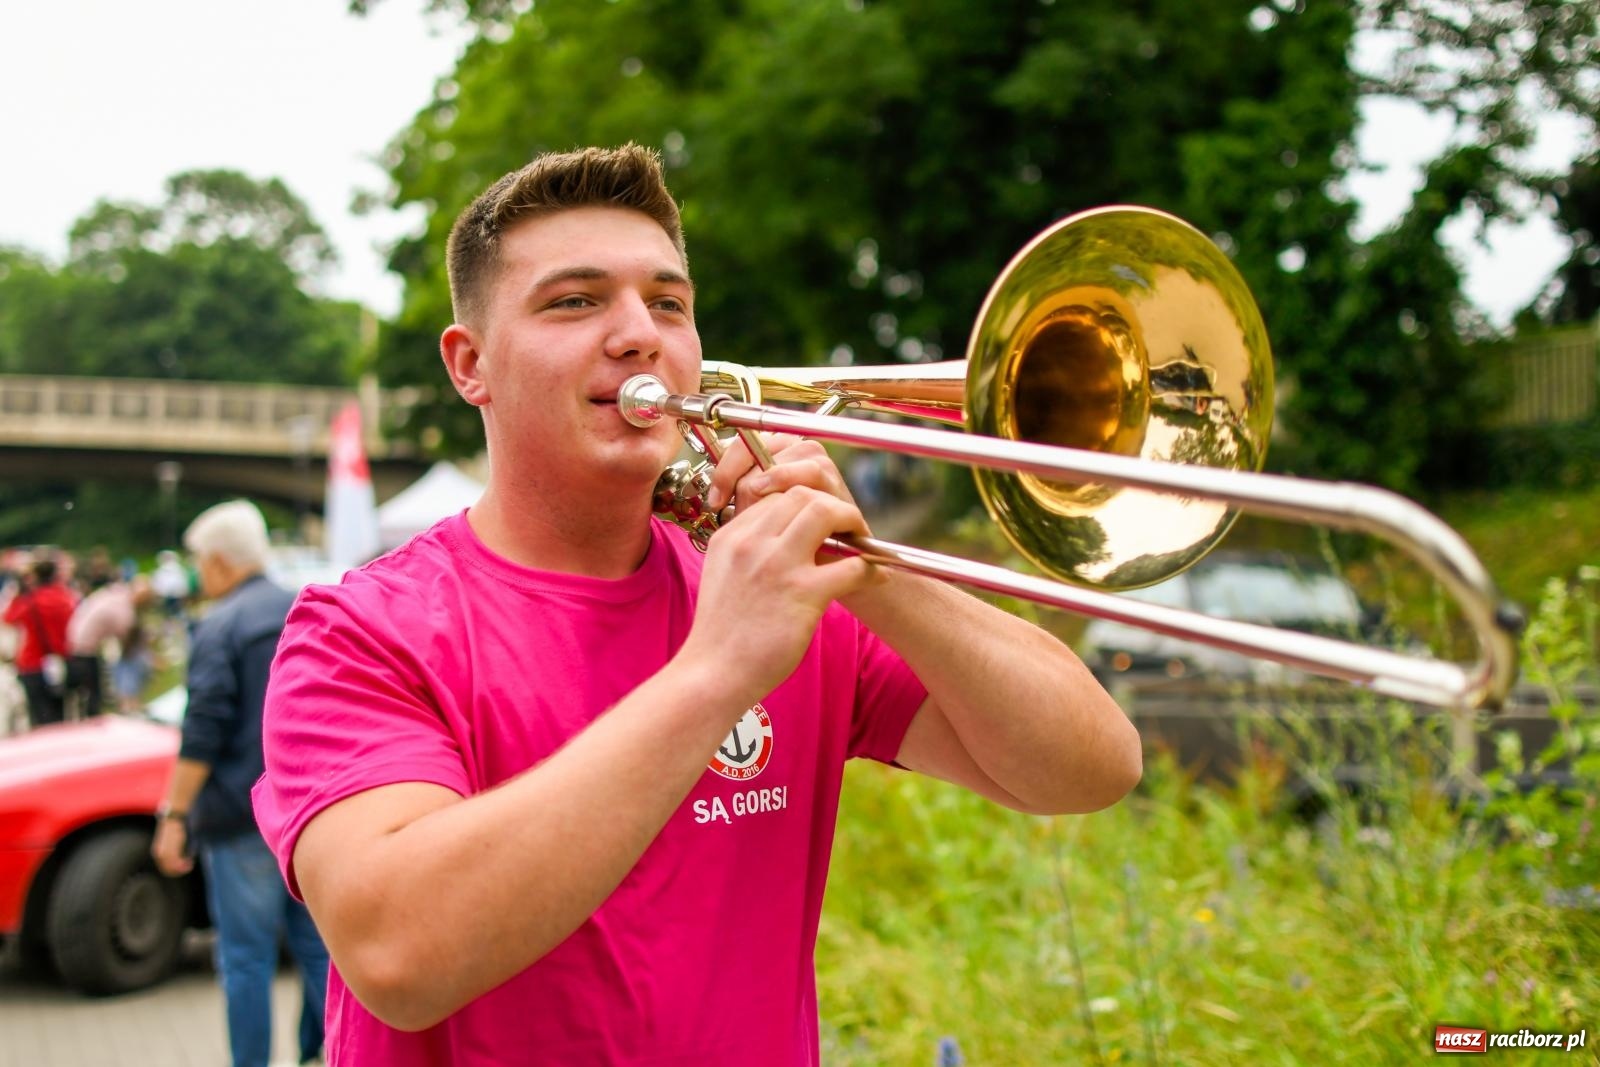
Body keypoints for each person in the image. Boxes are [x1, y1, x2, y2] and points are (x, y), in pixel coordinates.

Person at [252, 144, 1142, 1065]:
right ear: (470, 363)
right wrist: (719, 669)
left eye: (668, 303)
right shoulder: (361, 631)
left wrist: (875, 570)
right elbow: (400, 954)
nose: (641, 332)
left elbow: (1091, 767)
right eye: (576, 300)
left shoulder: (777, 590)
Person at [152, 501, 330, 1067]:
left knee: (247, 958)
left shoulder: (221, 624)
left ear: (222, 563)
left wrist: (174, 816)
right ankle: (327, 1051)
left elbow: (202, 729)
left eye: (201, 562)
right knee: (320, 949)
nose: (199, 574)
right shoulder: (307, 608)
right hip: (308, 811)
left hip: (239, 815)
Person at [1, 557, 76, 728]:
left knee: (40, 716)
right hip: (61, 660)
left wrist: (18, 591)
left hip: (33, 663)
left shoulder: (30, 601)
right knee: (62, 716)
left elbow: (8, 618)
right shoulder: (65, 597)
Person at [65, 574, 154, 717]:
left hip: (74, 640)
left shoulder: (116, 593)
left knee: (86, 696)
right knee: (93, 697)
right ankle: (128, 705)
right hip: (84, 650)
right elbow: (128, 644)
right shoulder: (124, 611)